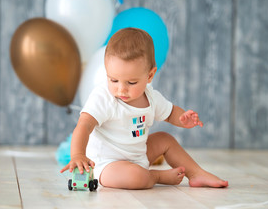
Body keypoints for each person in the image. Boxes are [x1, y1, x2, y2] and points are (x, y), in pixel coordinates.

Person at [61, 28, 228, 189]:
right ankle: (156, 176)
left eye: (131, 82)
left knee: (165, 139)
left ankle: (196, 173)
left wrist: (183, 119)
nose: (121, 89)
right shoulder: (104, 97)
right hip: (107, 164)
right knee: (136, 177)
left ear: (149, 75)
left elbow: (170, 113)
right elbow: (84, 125)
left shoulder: (151, 96)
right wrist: (77, 155)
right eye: (113, 80)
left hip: (139, 156)